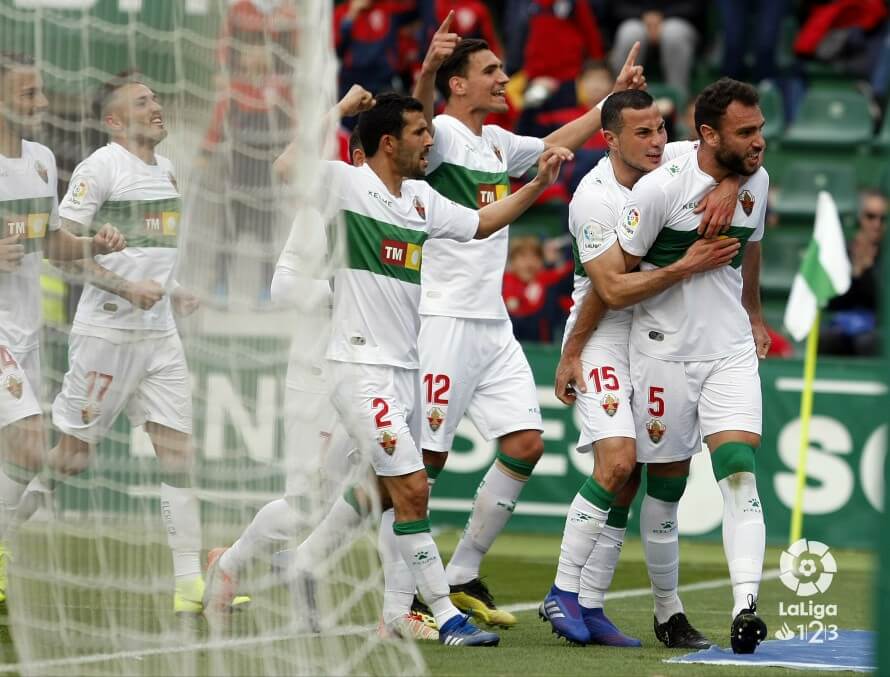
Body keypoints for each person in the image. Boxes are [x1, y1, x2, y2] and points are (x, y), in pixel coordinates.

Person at [212, 91, 571, 647]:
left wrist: (535, 187)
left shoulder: (422, 200)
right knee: (409, 487)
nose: (431, 140)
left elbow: (480, 223)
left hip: (403, 369)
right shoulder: (344, 185)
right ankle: (440, 616)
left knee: (340, 496)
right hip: (354, 365)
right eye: (420, 133)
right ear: (386, 142)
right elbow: (285, 170)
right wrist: (338, 111)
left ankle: (269, 566)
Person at [410, 24, 642, 627]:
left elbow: (549, 144)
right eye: (490, 71)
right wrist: (427, 72)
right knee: (423, 466)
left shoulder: (492, 142)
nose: (501, 78)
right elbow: (413, 123)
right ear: (458, 84)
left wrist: (607, 106)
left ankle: (460, 572)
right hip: (442, 318)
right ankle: (409, 592)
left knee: (526, 444)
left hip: (491, 322)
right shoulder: (439, 138)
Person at [542, 88, 741, 648]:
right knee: (618, 461)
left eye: (660, 128)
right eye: (642, 133)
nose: (657, 142)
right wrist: (573, 352)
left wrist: (728, 183)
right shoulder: (594, 198)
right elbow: (606, 289)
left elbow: (743, 152)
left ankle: (592, 604)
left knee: (632, 482)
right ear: (609, 140)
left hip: (657, 335)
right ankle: (560, 591)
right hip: (603, 334)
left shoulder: (678, 158)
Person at [13, 72, 217, 617]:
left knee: (178, 454)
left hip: (158, 336)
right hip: (105, 333)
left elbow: (152, 255)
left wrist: (173, 292)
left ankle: (188, 585)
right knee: (71, 459)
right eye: (143, 102)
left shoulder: (168, 170)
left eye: (156, 98)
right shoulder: (99, 168)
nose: (157, 107)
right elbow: (63, 252)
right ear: (114, 120)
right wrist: (126, 287)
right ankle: (5, 536)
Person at [607, 78, 770, 655]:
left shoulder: (756, 177)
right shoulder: (659, 190)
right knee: (667, 487)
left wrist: (753, 313)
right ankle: (667, 610)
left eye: (761, 129)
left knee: (738, 466)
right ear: (707, 134)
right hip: (663, 353)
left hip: (728, 349)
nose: (759, 142)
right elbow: (616, 279)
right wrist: (684, 265)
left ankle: (745, 605)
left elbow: (750, 245)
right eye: (746, 132)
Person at [0, 52, 125, 602]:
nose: (43, 104)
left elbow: (50, 242)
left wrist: (90, 242)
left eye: (42, 92)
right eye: (30, 95)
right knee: (32, 447)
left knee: (29, 460)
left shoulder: (44, 160)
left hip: (25, 329)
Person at [821, 188, 887, 356]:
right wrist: (855, 272)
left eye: (883, 218)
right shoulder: (843, 252)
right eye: (871, 216)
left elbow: (882, 302)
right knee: (827, 338)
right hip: (842, 324)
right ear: (861, 218)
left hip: (876, 328)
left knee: (867, 342)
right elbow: (830, 301)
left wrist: (868, 270)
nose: (877, 224)